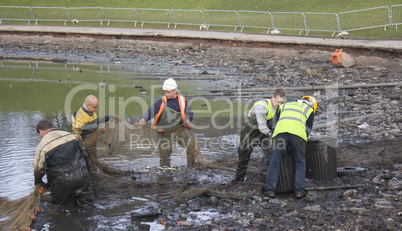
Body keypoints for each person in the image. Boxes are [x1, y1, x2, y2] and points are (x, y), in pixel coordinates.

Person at [137, 78, 201, 167]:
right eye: (165, 92)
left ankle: (191, 167)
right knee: (165, 153)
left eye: (169, 92)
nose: (166, 94)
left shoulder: (182, 101)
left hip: (179, 129)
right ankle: (164, 171)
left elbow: (189, 113)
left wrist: (187, 120)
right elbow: (150, 111)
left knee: (191, 146)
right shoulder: (161, 101)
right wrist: (143, 119)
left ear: (175, 90)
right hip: (164, 132)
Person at [264, 96, 317, 199]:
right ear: (311, 105)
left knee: (274, 161)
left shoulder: (284, 106)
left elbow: (275, 123)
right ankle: (299, 191)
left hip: (280, 133)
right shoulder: (309, 110)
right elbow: (308, 130)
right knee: (300, 161)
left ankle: (270, 190)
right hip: (298, 134)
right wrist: (298, 144)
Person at [33, 119, 94, 206]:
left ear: (40, 131)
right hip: (82, 175)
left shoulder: (43, 145)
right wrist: (89, 169)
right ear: (51, 127)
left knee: (60, 208)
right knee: (88, 204)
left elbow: (38, 169)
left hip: (61, 181)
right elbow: (85, 154)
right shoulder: (72, 136)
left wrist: (38, 183)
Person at [234, 89, 286, 183]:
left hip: (264, 135)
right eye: (278, 102)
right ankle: (238, 181)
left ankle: (273, 181)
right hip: (250, 133)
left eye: (281, 102)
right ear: (272, 97)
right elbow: (262, 127)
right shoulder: (261, 106)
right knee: (243, 159)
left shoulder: (280, 108)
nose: (279, 104)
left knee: (271, 155)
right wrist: (273, 135)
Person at [71, 94, 120, 159]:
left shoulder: (90, 111)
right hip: (82, 144)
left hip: (92, 142)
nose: (96, 109)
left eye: (96, 107)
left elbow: (97, 120)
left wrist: (111, 117)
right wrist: (100, 130)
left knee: (94, 159)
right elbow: (85, 129)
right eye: (94, 107)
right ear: (87, 105)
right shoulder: (80, 116)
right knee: (87, 161)